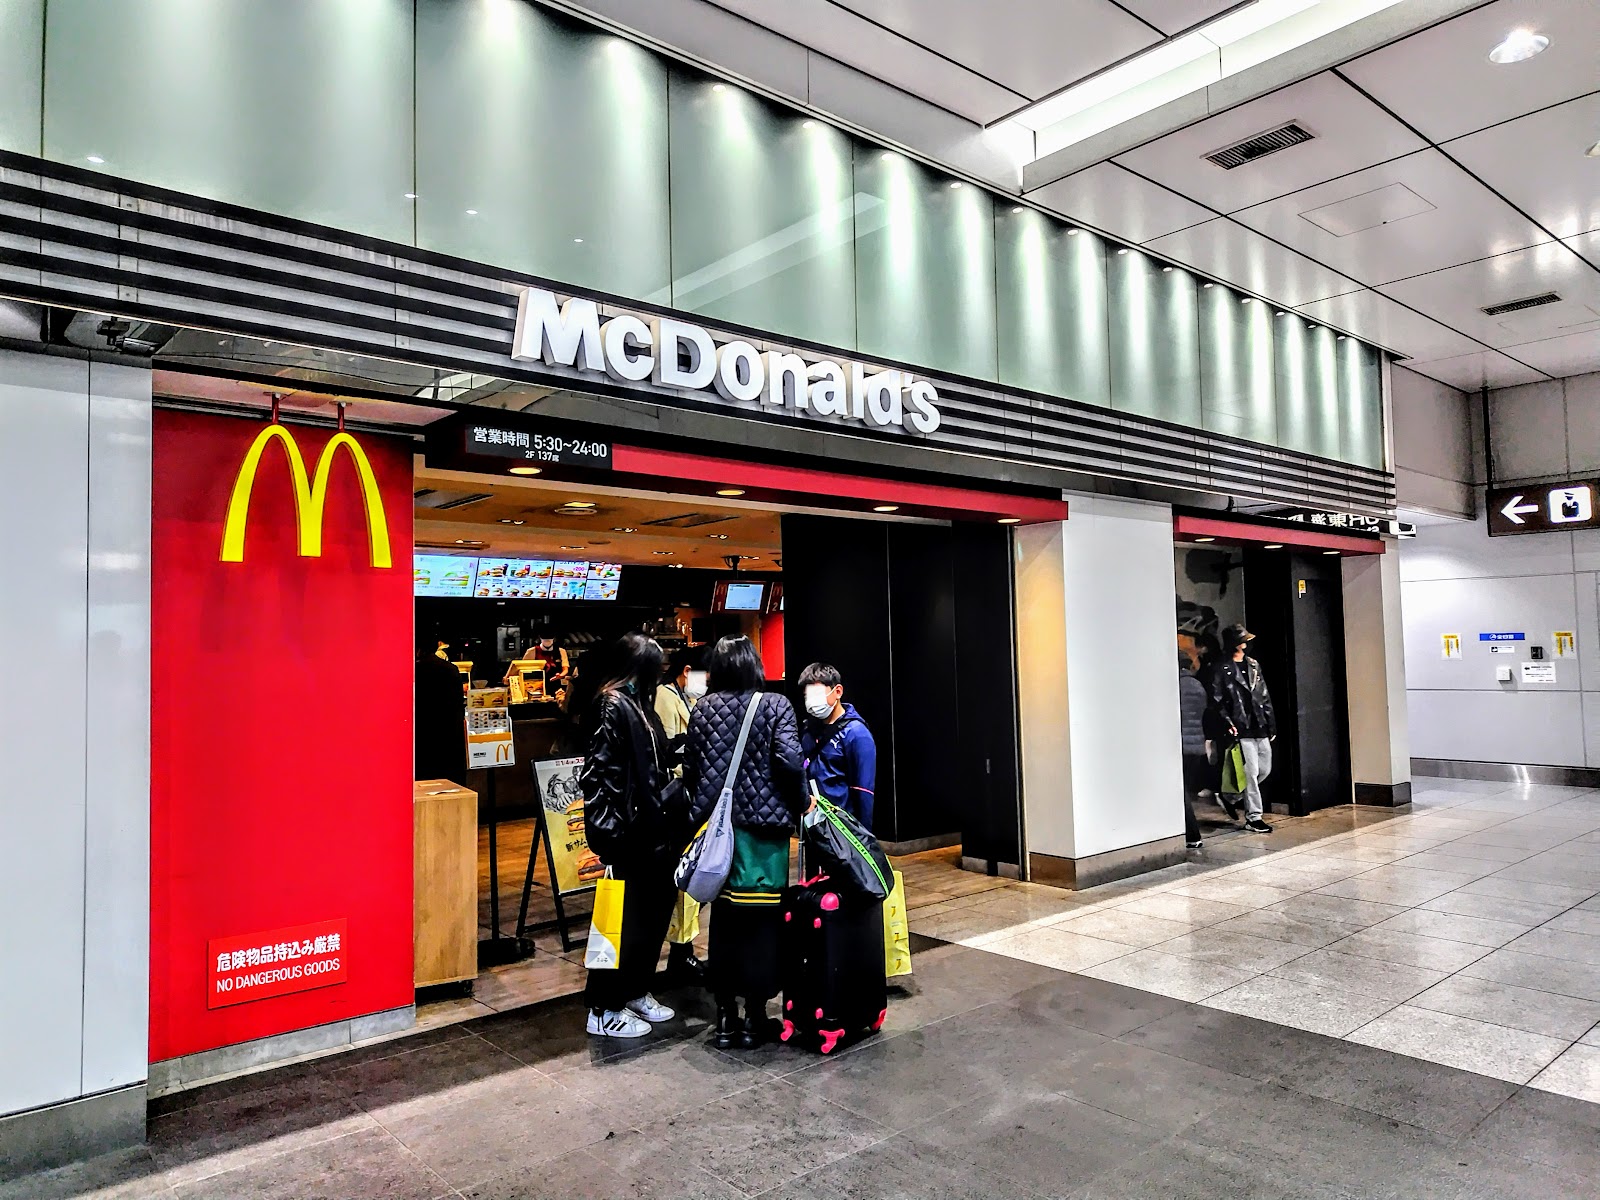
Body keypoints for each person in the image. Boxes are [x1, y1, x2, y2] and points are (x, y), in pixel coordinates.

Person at [684, 635, 803, 1050]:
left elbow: (692, 769)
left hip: (720, 839)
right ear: (754, 665)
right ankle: (755, 1017)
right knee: (763, 925)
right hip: (764, 839)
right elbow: (789, 762)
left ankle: (724, 1018)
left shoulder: (703, 708)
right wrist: (802, 802)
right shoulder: (776, 705)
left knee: (725, 923)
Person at [579, 633, 686, 1038]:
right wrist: (609, 835)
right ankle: (604, 1008)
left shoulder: (639, 705)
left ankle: (635, 990)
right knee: (622, 922)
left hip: (652, 830)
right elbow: (600, 775)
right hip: (628, 834)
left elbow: (653, 758)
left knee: (652, 915)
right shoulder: (612, 705)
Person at [655, 650, 708, 985]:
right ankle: (680, 952)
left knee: (691, 880)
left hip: (691, 798)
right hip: (676, 802)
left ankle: (683, 950)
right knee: (681, 879)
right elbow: (667, 752)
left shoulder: (685, 697)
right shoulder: (664, 697)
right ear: (687, 671)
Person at [1205, 623, 1276, 834]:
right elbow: (1217, 700)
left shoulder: (1253, 665)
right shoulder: (1222, 668)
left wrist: (1270, 723)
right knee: (1251, 772)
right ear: (1235, 643)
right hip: (1240, 726)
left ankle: (1229, 796)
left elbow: (1264, 696)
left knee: (1264, 769)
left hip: (1259, 724)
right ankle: (1254, 817)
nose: (1247, 643)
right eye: (1243, 640)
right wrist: (1229, 724)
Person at [797, 663, 877, 829]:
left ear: (838, 691)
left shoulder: (856, 733)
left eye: (817, 694)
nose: (811, 702)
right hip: (814, 825)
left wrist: (863, 838)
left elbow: (864, 791)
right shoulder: (808, 731)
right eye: (807, 696)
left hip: (843, 828)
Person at [1177, 650, 1208, 850]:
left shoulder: (1173, 687)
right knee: (1185, 789)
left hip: (1180, 744)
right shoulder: (1197, 685)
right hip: (1196, 746)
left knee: (1181, 792)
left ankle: (1192, 834)